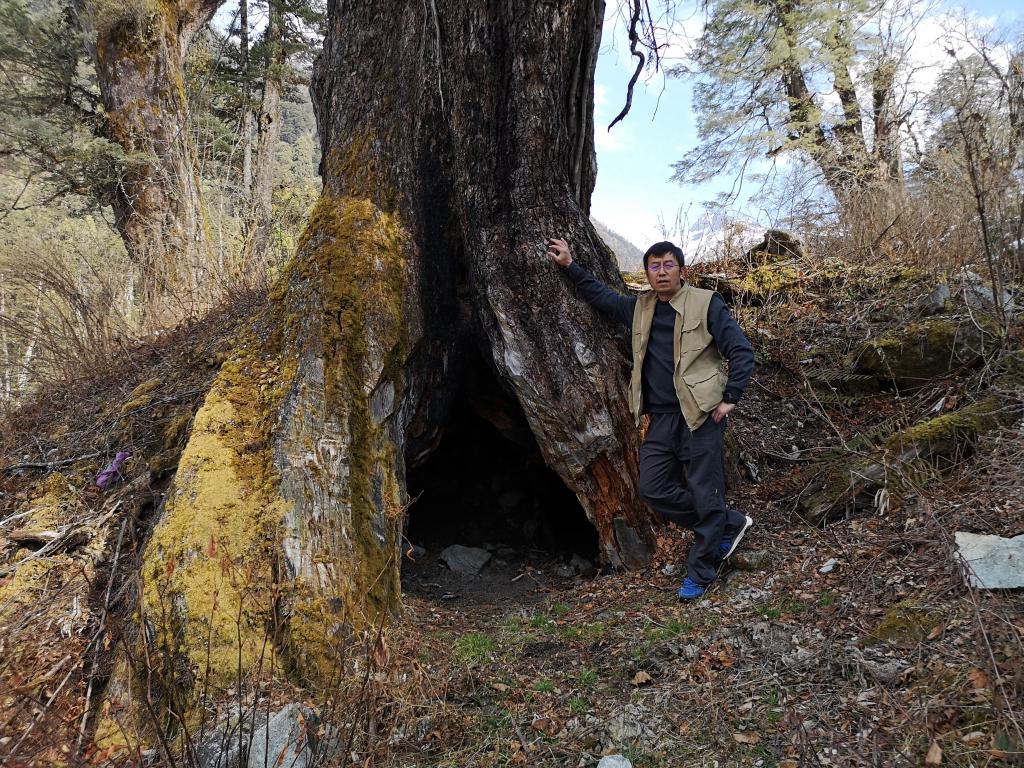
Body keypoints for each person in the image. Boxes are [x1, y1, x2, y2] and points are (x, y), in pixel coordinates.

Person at [546, 236, 755, 600]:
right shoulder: (640, 307)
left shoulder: (706, 304)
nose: (661, 272)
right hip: (661, 419)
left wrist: (730, 398)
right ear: (648, 272)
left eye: (668, 265)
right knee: (653, 489)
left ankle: (700, 573)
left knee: (706, 495)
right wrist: (569, 266)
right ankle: (727, 523)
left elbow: (740, 350)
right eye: (654, 266)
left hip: (701, 416)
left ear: (681, 270)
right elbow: (603, 298)